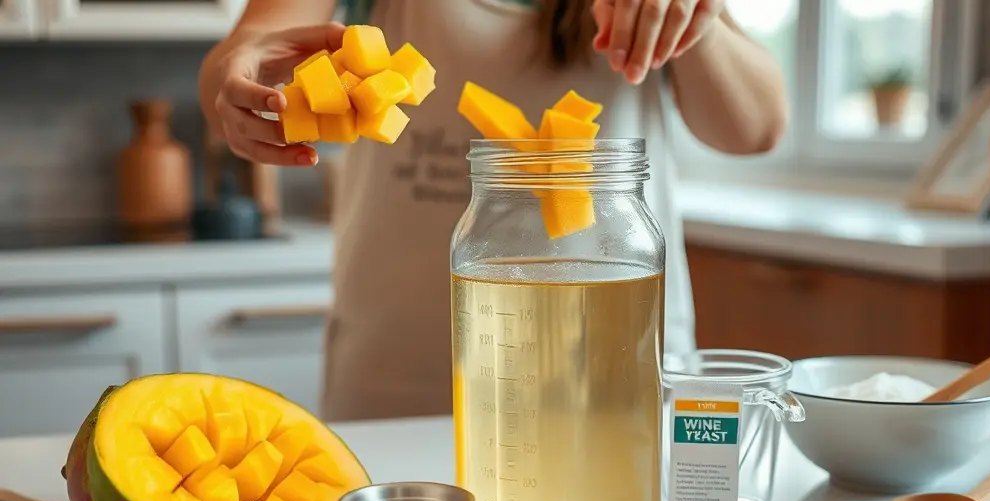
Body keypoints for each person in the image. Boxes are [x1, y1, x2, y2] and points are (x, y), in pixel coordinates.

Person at [198, 0, 788, 422]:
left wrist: (695, 23)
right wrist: (235, 73)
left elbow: (758, 128)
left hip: (607, 368)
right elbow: (244, 52)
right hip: (401, 372)